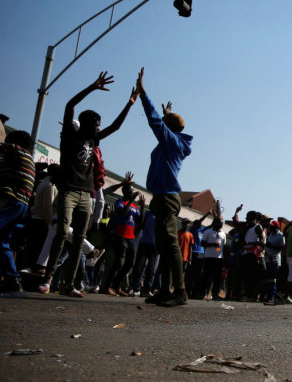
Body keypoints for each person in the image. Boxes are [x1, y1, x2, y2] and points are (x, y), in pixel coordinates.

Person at [40, 72, 138, 296]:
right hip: (68, 191)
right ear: (84, 124)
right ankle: (48, 277)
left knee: (78, 242)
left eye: (98, 126)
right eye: (95, 125)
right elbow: (70, 105)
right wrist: (92, 87)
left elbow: (115, 127)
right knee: (63, 231)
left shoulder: (93, 141)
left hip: (87, 195)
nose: (98, 128)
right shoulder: (69, 136)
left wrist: (129, 103)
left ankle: (69, 284)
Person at [135, 68, 193, 307]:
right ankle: (165, 290)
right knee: (164, 246)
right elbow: (164, 125)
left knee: (170, 244)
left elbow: (155, 123)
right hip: (161, 197)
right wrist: (167, 114)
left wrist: (143, 95)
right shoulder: (173, 142)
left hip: (167, 197)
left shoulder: (171, 142)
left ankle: (180, 291)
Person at [0, 130, 36, 295]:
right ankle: (12, 279)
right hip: (22, 205)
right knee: (3, 242)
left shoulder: (16, 150)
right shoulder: (29, 159)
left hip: (11, 199)